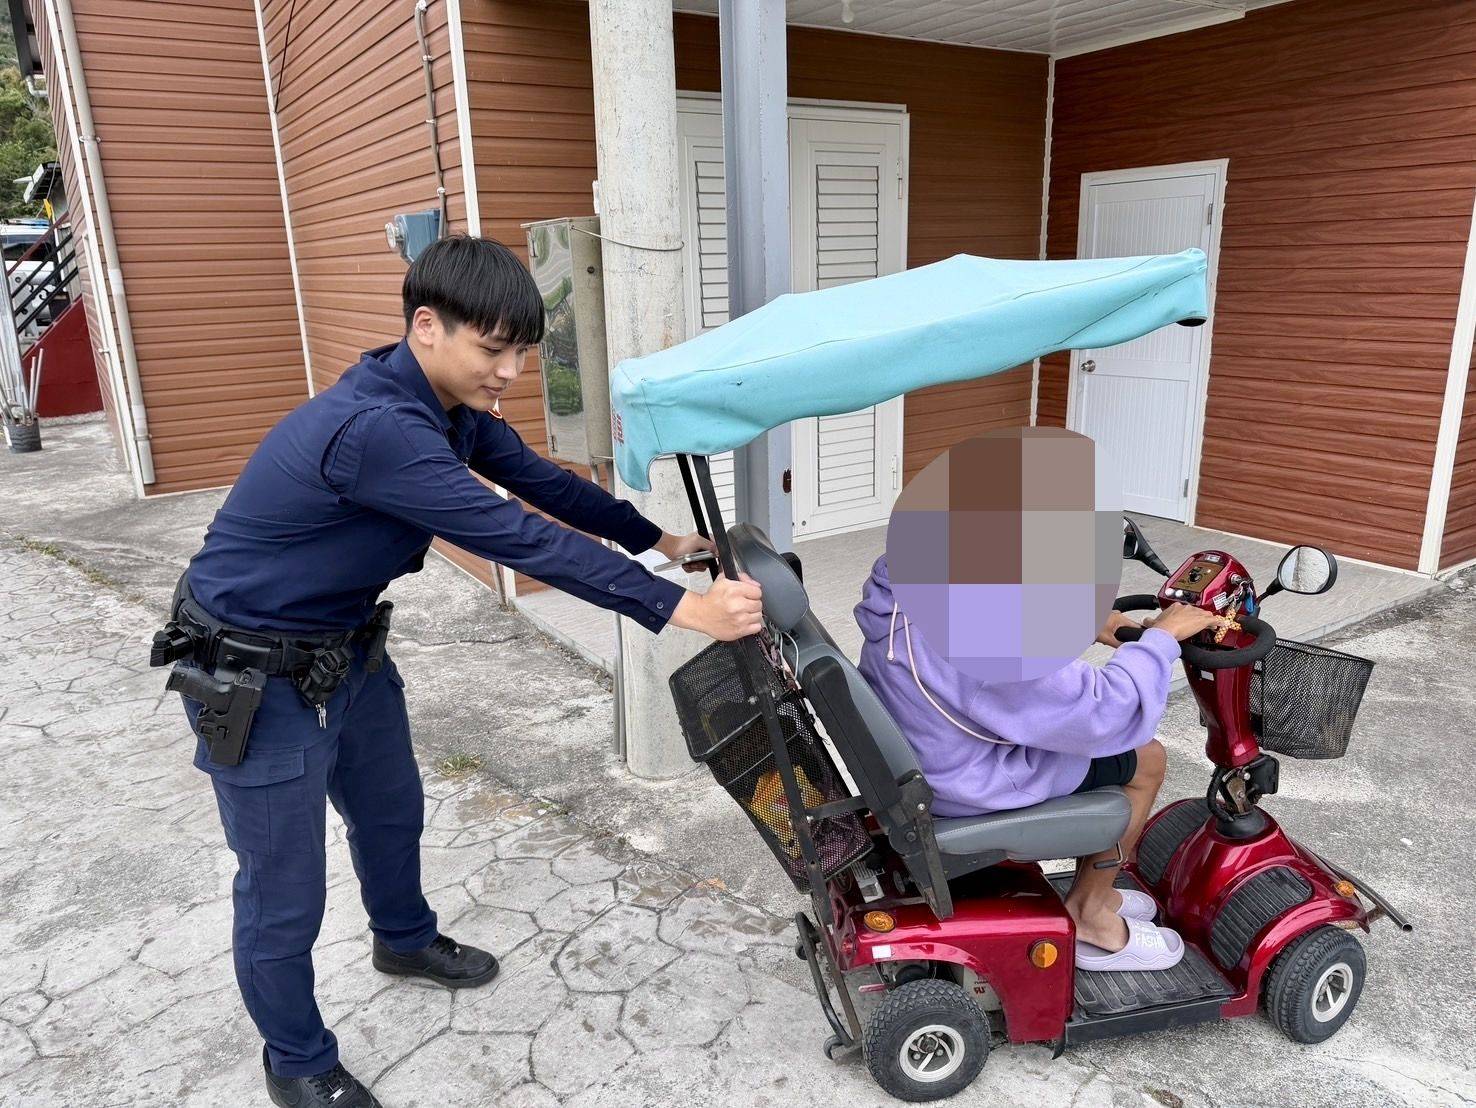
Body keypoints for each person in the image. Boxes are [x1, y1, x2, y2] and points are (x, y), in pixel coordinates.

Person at [158, 235, 760, 1108]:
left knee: (391, 812)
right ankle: (295, 1061)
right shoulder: (378, 430)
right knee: (282, 888)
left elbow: (543, 485)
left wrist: (659, 540)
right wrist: (681, 609)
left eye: (521, 351)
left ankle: (403, 939)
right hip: (252, 676)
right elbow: (514, 535)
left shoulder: (445, 407)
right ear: (426, 326)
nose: (510, 371)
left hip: (344, 651)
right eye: (494, 349)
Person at [854, 554, 1227, 973]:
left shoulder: (903, 582)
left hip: (933, 756)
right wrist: (1161, 640)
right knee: (1147, 758)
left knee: (1114, 752)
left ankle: (1099, 892)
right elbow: (1103, 712)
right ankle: (1090, 910)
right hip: (970, 781)